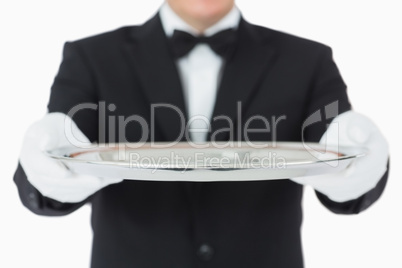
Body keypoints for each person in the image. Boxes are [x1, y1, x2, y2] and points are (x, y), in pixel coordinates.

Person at [14, 0, 389, 267]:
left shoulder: (308, 59)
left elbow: (344, 153)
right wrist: (45, 169)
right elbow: (54, 160)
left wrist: (359, 170)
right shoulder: (92, 56)